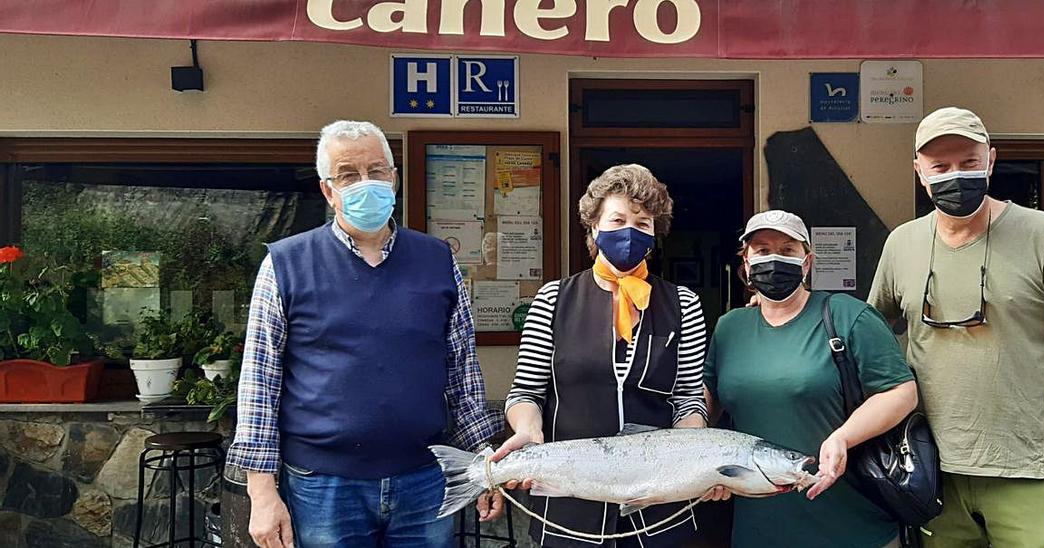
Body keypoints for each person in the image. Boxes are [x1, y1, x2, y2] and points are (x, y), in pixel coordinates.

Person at [226, 120, 500, 548]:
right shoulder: (285, 265)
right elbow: (259, 383)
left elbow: (462, 371)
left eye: (376, 170)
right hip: (323, 487)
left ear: (394, 179)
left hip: (424, 480)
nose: (365, 183)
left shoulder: (437, 260)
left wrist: (484, 467)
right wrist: (261, 491)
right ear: (328, 190)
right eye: (349, 174)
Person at [868, 107, 1044, 547]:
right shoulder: (901, 243)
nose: (954, 175)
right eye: (940, 166)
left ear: (991, 161)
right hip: (928, 471)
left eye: (969, 163)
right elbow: (869, 335)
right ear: (920, 171)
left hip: (1026, 470)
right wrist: (783, 306)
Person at [480, 164, 721, 547]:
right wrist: (528, 431)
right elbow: (526, 391)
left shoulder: (683, 304)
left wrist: (696, 459)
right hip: (568, 500)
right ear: (593, 226)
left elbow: (688, 399)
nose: (630, 231)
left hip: (659, 502)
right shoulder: (553, 299)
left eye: (643, 223)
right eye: (618, 219)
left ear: (655, 234)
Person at [704, 210, 919, 548]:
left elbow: (901, 392)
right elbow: (709, 401)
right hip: (759, 530)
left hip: (851, 527)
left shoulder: (848, 316)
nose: (774, 258)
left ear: (806, 263)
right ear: (745, 263)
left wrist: (843, 437)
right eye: (761, 250)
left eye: (788, 249)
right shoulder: (730, 327)